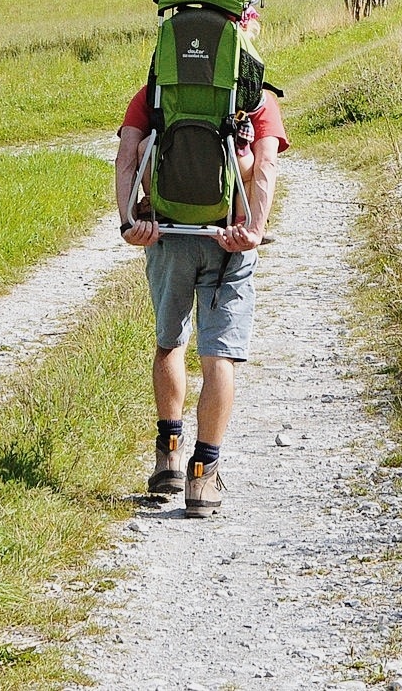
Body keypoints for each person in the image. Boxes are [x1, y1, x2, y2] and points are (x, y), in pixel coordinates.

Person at [114, 56, 287, 518]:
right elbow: (265, 167)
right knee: (219, 357)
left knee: (170, 343)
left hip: (168, 236)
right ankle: (201, 475)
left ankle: (169, 453)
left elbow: (128, 156)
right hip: (228, 239)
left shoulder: (155, 92)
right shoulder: (255, 98)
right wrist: (254, 228)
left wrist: (131, 222)